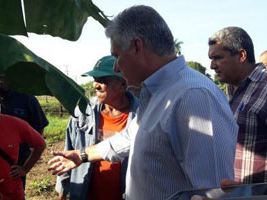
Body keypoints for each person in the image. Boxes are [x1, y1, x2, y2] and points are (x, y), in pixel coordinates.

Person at [48, 5, 238, 200]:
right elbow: (128, 140)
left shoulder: (194, 96)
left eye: (117, 56)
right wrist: (82, 155)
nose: (116, 66)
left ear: (137, 46)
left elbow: (212, 191)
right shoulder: (155, 94)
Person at [55, 55, 139, 200]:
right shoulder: (83, 111)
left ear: (123, 84)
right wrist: (62, 189)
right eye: (95, 80)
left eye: (102, 81)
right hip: (85, 193)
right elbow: (68, 149)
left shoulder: (142, 115)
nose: (95, 85)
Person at [208, 27, 267, 183]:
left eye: (218, 58)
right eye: (211, 59)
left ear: (241, 55)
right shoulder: (228, 91)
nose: (212, 66)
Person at [0, 76, 48, 189]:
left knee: (15, 188)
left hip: (17, 159)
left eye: (3, 78)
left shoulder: (27, 98)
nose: (0, 82)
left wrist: (26, 166)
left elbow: (39, 128)